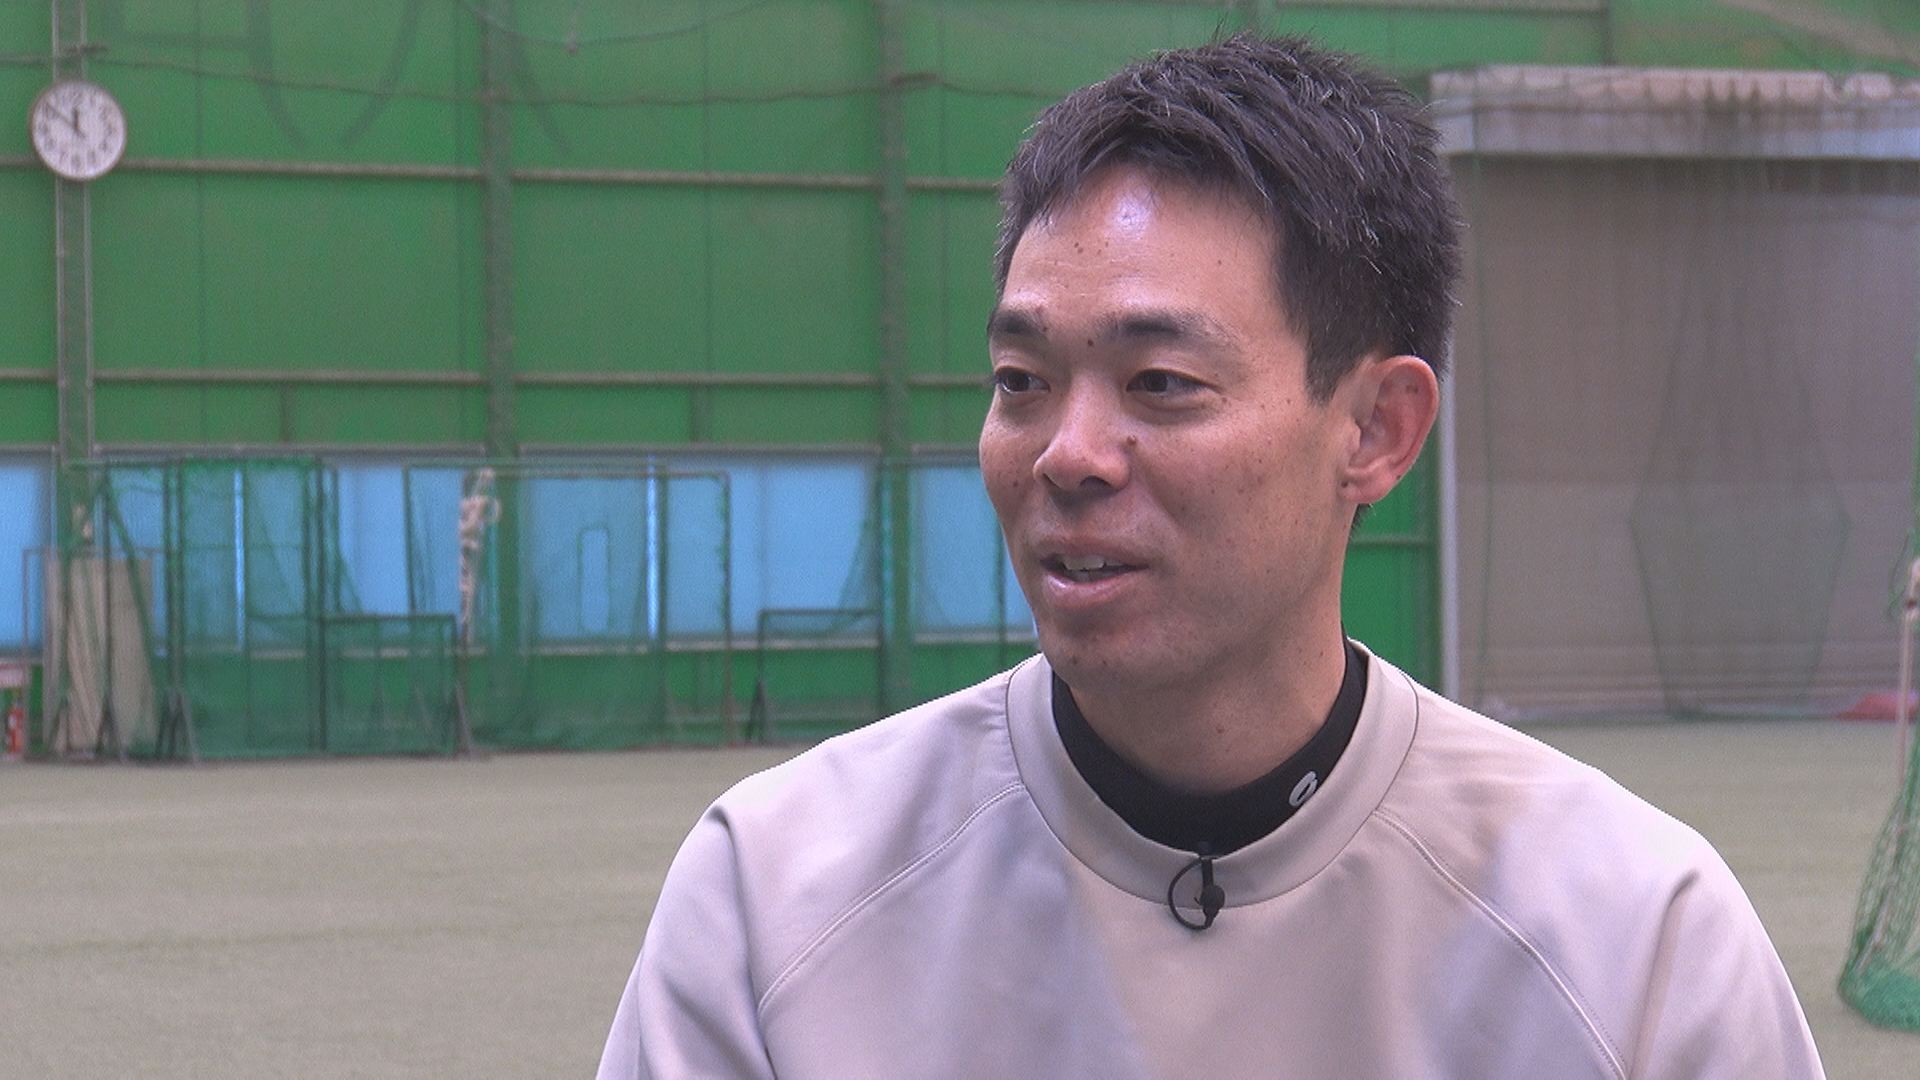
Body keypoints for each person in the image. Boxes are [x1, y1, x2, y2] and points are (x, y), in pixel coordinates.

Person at [598, 34, 1825, 1079]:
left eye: (1161, 383)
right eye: (1022, 380)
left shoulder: (1634, 941)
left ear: (1375, 430)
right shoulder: (776, 897)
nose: (1068, 455)